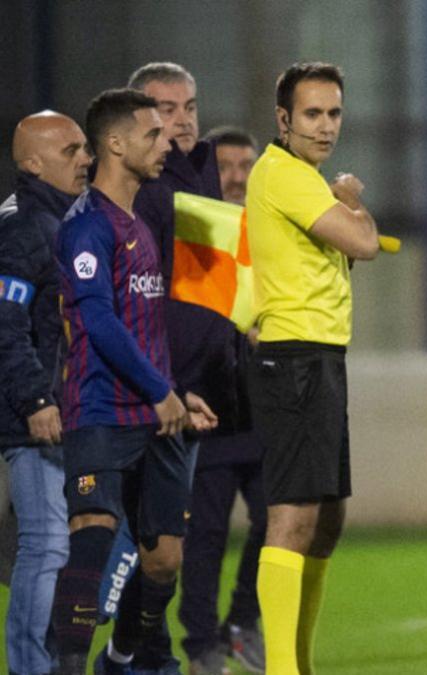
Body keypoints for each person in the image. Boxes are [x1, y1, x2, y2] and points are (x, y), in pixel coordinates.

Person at [49, 88, 217, 675]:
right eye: (152, 133)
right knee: (92, 539)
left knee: (164, 562)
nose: (166, 141)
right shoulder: (87, 227)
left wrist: (176, 391)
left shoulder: (137, 225)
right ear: (115, 145)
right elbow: (97, 321)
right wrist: (159, 390)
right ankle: (66, 663)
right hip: (100, 412)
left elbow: (145, 329)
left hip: (156, 411)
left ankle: (118, 660)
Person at [245, 62, 380, 675]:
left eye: (334, 113)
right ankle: (281, 668)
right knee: (294, 517)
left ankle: (298, 661)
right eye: (312, 114)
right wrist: (353, 204)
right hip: (294, 359)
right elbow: (363, 243)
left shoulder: (303, 178)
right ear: (283, 120)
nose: (326, 127)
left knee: (326, 521)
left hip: (319, 358)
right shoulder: (290, 176)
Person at [109, 60, 241, 675]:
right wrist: (169, 385)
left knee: (162, 546)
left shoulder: (199, 170)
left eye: (189, 105)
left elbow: (205, 283)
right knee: (130, 546)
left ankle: (140, 656)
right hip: (150, 389)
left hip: (192, 387)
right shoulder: (137, 190)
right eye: (165, 108)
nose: (182, 118)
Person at [0, 110, 89, 675]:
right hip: (36, 417)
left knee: (69, 545)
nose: (85, 159)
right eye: (70, 151)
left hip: (67, 410)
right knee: (47, 544)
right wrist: (36, 400)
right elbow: (5, 323)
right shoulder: (23, 228)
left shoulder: (59, 220)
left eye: (84, 148)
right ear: (32, 163)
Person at [177, 126, 268, 675]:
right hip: (208, 409)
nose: (235, 176)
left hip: (262, 410)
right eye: (226, 165)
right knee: (203, 537)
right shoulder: (193, 229)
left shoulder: (266, 229)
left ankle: (241, 621)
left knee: (278, 521)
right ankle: (202, 645)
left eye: (245, 165)